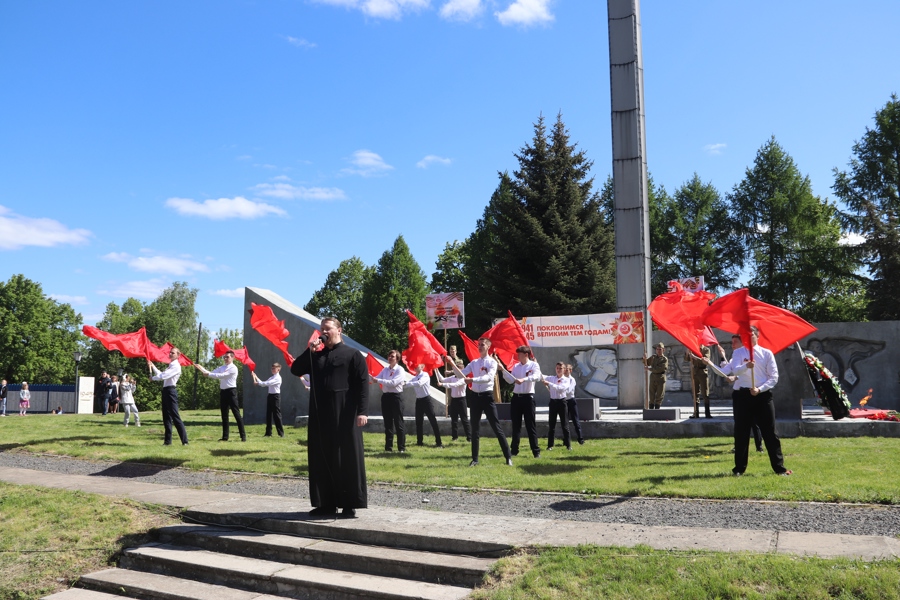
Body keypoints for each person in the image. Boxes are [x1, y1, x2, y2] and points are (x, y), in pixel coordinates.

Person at [290, 316, 369, 518]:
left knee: (347, 458)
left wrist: (362, 411)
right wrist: (310, 350)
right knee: (321, 457)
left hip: (346, 413)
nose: (323, 332)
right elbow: (295, 369)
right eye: (321, 329)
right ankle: (325, 503)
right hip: (320, 415)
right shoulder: (317, 356)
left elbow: (362, 386)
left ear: (339, 331)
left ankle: (349, 503)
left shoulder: (353, 355)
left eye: (328, 329)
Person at [715, 326, 791, 476]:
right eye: (745, 335)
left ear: (757, 336)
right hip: (743, 395)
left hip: (763, 396)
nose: (748, 338)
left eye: (752, 335)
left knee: (770, 432)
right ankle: (739, 469)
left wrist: (760, 389)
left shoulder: (766, 353)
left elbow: (774, 377)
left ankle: (779, 468)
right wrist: (746, 366)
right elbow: (735, 370)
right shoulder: (738, 352)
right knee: (741, 432)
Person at [446, 337, 513, 467]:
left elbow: (488, 378)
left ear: (488, 347)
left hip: (487, 397)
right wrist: (453, 364)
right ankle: (475, 459)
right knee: (475, 429)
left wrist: (472, 380)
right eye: (479, 345)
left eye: (482, 344)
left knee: (496, 427)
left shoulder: (492, 363)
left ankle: (508, 456)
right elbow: (461, 375)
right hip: (475, 398)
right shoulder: (474, 363)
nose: (480, 346)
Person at [716, 337, 764, 453]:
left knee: (754, 422)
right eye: (731, 342)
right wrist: (711, 362)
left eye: (735, 342)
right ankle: (739, 446)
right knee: (739, 422)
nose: (732, 344)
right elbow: (725, 371)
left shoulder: (751, 356)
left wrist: (736, 377)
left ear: (743, 342)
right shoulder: (734, 358)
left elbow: (748, 372)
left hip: (751, 391)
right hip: (738, 393)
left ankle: (759, 446)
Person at [497, 346, 542, 458]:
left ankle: (536, 451)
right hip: (516, 398)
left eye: (520, 354)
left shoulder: (534, 365)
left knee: (530, 425)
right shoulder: (516, 366)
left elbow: (537, 377)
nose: (518, 356)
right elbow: (511, 379)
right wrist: (503, 370)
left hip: (528, 398)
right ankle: (514, 450)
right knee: (516, 425)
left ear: (526, 355)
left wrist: (524, 379)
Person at [196, 351, 246, 442]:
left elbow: (222, 376)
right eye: (225, 357)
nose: (225, 359)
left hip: (231, 392)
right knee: (224, 415)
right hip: (223, 392)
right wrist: (201, 368)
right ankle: (225, 437)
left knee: (236, 414)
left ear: (232, 358)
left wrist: (209, 374)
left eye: (227, 357)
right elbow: (212, 373)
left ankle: (243, 436)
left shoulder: (234, 368)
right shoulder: (222, 367)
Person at [147, 348, 189, 446]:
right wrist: (152, 366)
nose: (170, 354)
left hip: (171, 391)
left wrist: (152, 378)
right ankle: (167, 441)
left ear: (178, 355)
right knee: (166, 416)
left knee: (175, 415)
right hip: (166, 390)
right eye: (170, 352)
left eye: (173, 353)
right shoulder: (170, 366)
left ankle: (185, 441)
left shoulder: (176, 366)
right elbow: (161, 374)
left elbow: (163, 376)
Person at [371, 350, 406, 453]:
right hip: (386, 397)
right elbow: (376, 378)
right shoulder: (385, 370)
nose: (390, 358)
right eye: (389, 356)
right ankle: (388, 447)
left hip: (396, 397)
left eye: (392, 356)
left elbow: (393, 383)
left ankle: (401, 447)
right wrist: (370, 378)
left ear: (397, 359)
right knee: (388, 423)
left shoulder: (400, 370)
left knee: (398, 423)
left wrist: (379, 381)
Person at [405, 364, 443, 448]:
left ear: (422, 367)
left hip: (426, 400)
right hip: (419, 401)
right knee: (418, 422)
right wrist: (402, 384)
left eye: (417, 365)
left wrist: (408, 384)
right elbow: (408, 383)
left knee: (433, 420)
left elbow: (419, 383)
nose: (415, 367)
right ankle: (419, 442)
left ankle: (439, 442)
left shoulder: (425, 375)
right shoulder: (415, 377)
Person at [435, 358, 470, 442]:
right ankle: (454, 437)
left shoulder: (463, 378)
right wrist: (436, 370)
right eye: (456, 368)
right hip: (454, 400)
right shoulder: (452, 377)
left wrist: (442, 385)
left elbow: (454, 385)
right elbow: (442, 379)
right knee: (453, 420)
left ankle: (469, 437)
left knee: (464, 419)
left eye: (459, 368)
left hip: (461, 400)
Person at [543, 362, 572, 450]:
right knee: (551, 424)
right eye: (557, 368)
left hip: (562, 402)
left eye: (560, 368)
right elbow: (541, 376)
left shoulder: (567, 380)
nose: (558, 370)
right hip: (553, 402)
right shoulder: (552, 378)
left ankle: (568, 445)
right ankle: (550, 445)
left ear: (564, 370)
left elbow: (561, 389)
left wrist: (549, 384)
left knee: (565, 424)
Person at [253, 362, 285, 437]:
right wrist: (256, 377)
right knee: (269, 415)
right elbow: (263, 383)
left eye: (274, 368)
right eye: (272, 368)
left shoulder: (277, 378)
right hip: (270, 396)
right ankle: (268, 433)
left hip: (275, 397)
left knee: (276, 415)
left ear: (278, 369)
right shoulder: (272, 377)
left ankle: (281, 433)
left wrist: (257, 383)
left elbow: (265, 384)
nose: (272, 369)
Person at [684, 345, 712, 418]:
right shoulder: (693, 349)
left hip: (702, 372)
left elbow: (706, 361)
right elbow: (687, 359)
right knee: (695, 393)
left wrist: (695, 357)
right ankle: (696, 413)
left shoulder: (706, 350)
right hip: (695, 372)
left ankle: (707, 413)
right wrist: (687, 353)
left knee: (705, 392)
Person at [564, 364, 584, 445]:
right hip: (564, 401)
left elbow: (568, 390)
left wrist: (560, 389)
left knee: (575, 420)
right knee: (565, 422)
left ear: (570, 371)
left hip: (571, 401)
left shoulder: (572, 380)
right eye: (564, 370)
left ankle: (580, 439)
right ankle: (566, 440)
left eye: (567, 370)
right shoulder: (562, 379)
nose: (565, 372)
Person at [644, 342, 669, 409]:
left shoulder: (664, 359)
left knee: (659, 395)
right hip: (653, 378)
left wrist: (649, 369)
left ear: (663, 350)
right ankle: (651, 408)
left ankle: (657, 408)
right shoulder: (653, 357)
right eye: (657, 349)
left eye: (660, 349)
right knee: (651, 394)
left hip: (660, 378)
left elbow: (660, 369)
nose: (658, 351)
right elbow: (646, 362)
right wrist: (644, 358)